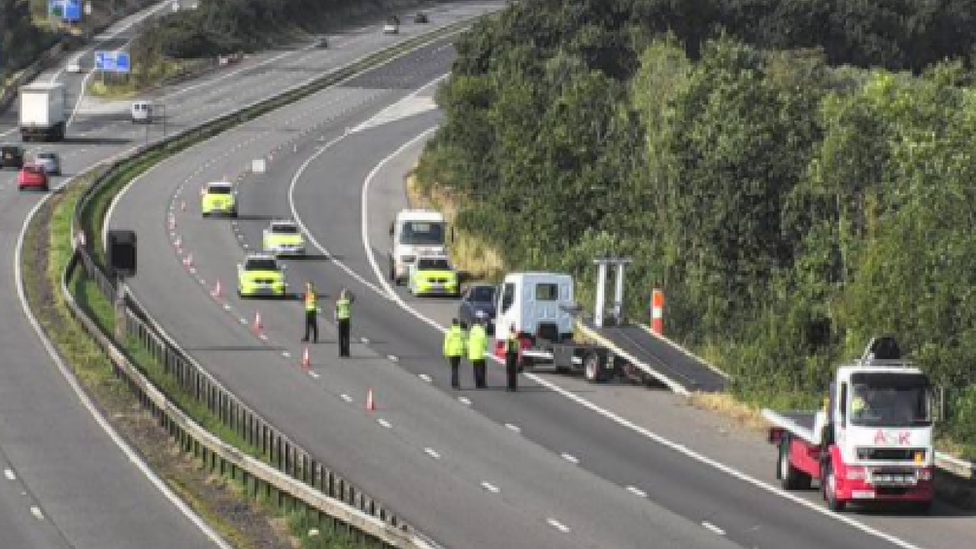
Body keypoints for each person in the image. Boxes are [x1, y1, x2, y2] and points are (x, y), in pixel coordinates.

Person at [443, 318, 466, 389]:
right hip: (459, 352)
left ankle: (454, 383)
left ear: (452, 324)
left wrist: (445, 352)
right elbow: (464, 343)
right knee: (457, 368)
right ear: (458, 323)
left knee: (454, 368)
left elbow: (446, 343)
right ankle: (456, 383)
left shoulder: (450, 332)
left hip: (451, 352)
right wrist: (465, 351)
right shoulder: (461, 332)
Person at [468, 316, 489, 389]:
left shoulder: (472, 330)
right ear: (480, 322)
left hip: (473, 352)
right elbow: (485, 341)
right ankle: (482, 383)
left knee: (475, 368)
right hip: (480, 352)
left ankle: (477, 383)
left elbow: (469, 341)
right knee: (482, 369)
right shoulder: (481, 330)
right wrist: (486, 348)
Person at [335, 289, 352, 357]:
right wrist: (349, 292)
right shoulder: (347, 301)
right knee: (346, 337)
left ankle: (341, 352)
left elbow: (336, 311)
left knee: (341, 337)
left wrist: (336, 319)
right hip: (346, 319)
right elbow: (353, 298)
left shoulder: (338, 302)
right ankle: (347, 352)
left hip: (341, 320)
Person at [505, 323, 520, 392]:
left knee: (509, 370)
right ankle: (513, 386)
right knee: (513, 371)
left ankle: (510, 386)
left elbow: (507, 346)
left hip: (510, 354)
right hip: (514, 353)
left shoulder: (510, 336)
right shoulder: (516, 336)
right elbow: (518, 346)